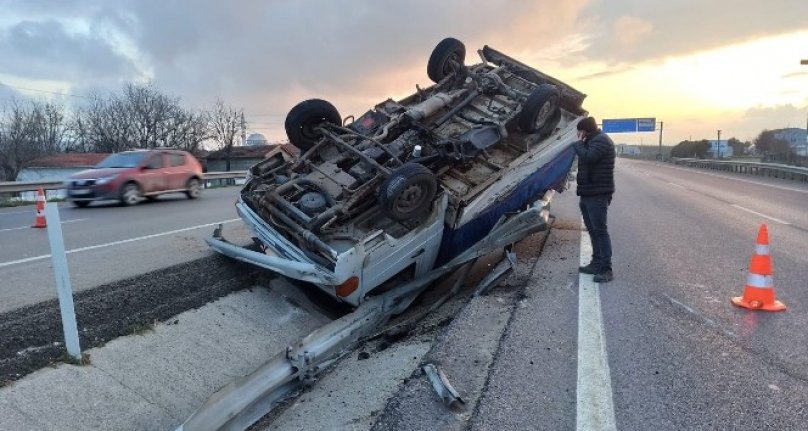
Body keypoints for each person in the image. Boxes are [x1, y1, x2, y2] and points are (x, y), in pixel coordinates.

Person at [573, 116, 616, 282]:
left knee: (600, 231)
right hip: (589, 192)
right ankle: (596, 263)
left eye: (580, 131)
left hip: (598, 193)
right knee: (592, 230)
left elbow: (589, 157)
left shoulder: (601, 141)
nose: (578, 134)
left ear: (585, 130)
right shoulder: (593, 140)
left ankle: (606, 269)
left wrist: (578, 144)